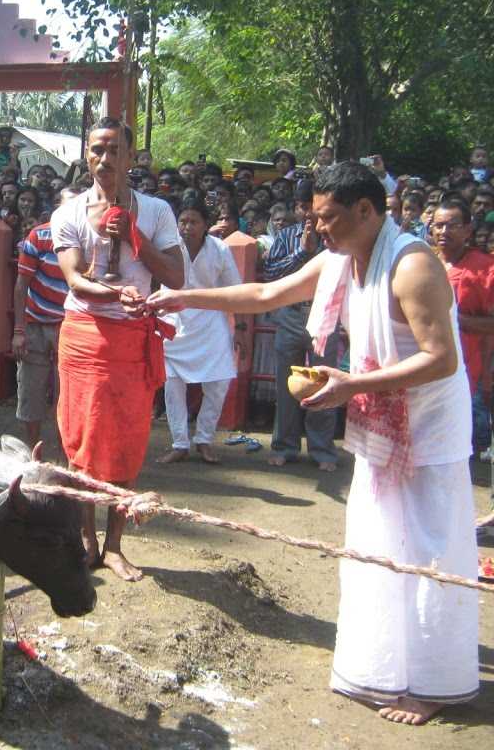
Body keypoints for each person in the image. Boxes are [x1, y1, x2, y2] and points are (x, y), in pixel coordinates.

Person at [148, 161, 478, 726]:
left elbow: (442, 358)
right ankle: (383, 666)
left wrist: (353, 384)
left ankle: (435, 682)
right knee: (380, 537)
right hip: (381, 424)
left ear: (366, 211)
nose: (318, 229)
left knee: (429, 547)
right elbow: (266, 292)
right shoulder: (341, 259)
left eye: (328, 219)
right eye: (314, 218)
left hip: (427, 430)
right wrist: (186, 299)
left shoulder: (413, 264)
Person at [52, 117, 184, 582]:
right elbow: (74, 280)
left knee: (128, 441)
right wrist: (115, 294)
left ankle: (114, 545)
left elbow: (176, 277)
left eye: (113, 151)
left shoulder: (156, 212)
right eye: (96, 149)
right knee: (83, 439)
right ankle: (86, 540)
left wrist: (134, 238)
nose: (103, 159)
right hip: (86, 335)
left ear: (131, 158)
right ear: (86, 155)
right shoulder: (68, 213)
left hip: (133, 340)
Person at [262, 179, 339, 471]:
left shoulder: (334, 236)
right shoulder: (285, 236)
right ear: (296, 208)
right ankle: (285, 446)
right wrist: (302, 253)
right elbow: (270, 274)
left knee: (324, 382)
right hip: (292, 315)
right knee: (286, 385)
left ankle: (323, 450)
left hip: (326, 316)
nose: (308, 213)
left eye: (313, 207)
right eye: (303, 206)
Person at [159, 198, 241, 464]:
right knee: (172, 386)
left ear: (206, 225)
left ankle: (204, 440)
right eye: (183, 221)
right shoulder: (168, 248)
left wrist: (239, 328)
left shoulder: (219, 249)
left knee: (218, 385)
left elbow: (234, 291)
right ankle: (179, 443)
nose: (187, 227)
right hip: (173, 322)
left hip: (211, 323)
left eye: (194, 221)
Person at [11, 187, 82, 449]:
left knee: (71, 392)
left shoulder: (88, 238)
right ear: (56, 207)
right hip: (36, 325)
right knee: (31, 390)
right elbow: (21, 286)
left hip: (73, 326)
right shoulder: (38, 236)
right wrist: (19, 331)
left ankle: (69, 454)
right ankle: (33, 451)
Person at [431, 198, 494, 452]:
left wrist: (454, 319)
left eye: (452, 225)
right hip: (424, 371)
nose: (444, 231)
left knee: (457, 445)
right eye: (438, 225)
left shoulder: (485, 268)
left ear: (468, 230)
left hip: (469, 372)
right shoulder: (422, 261)